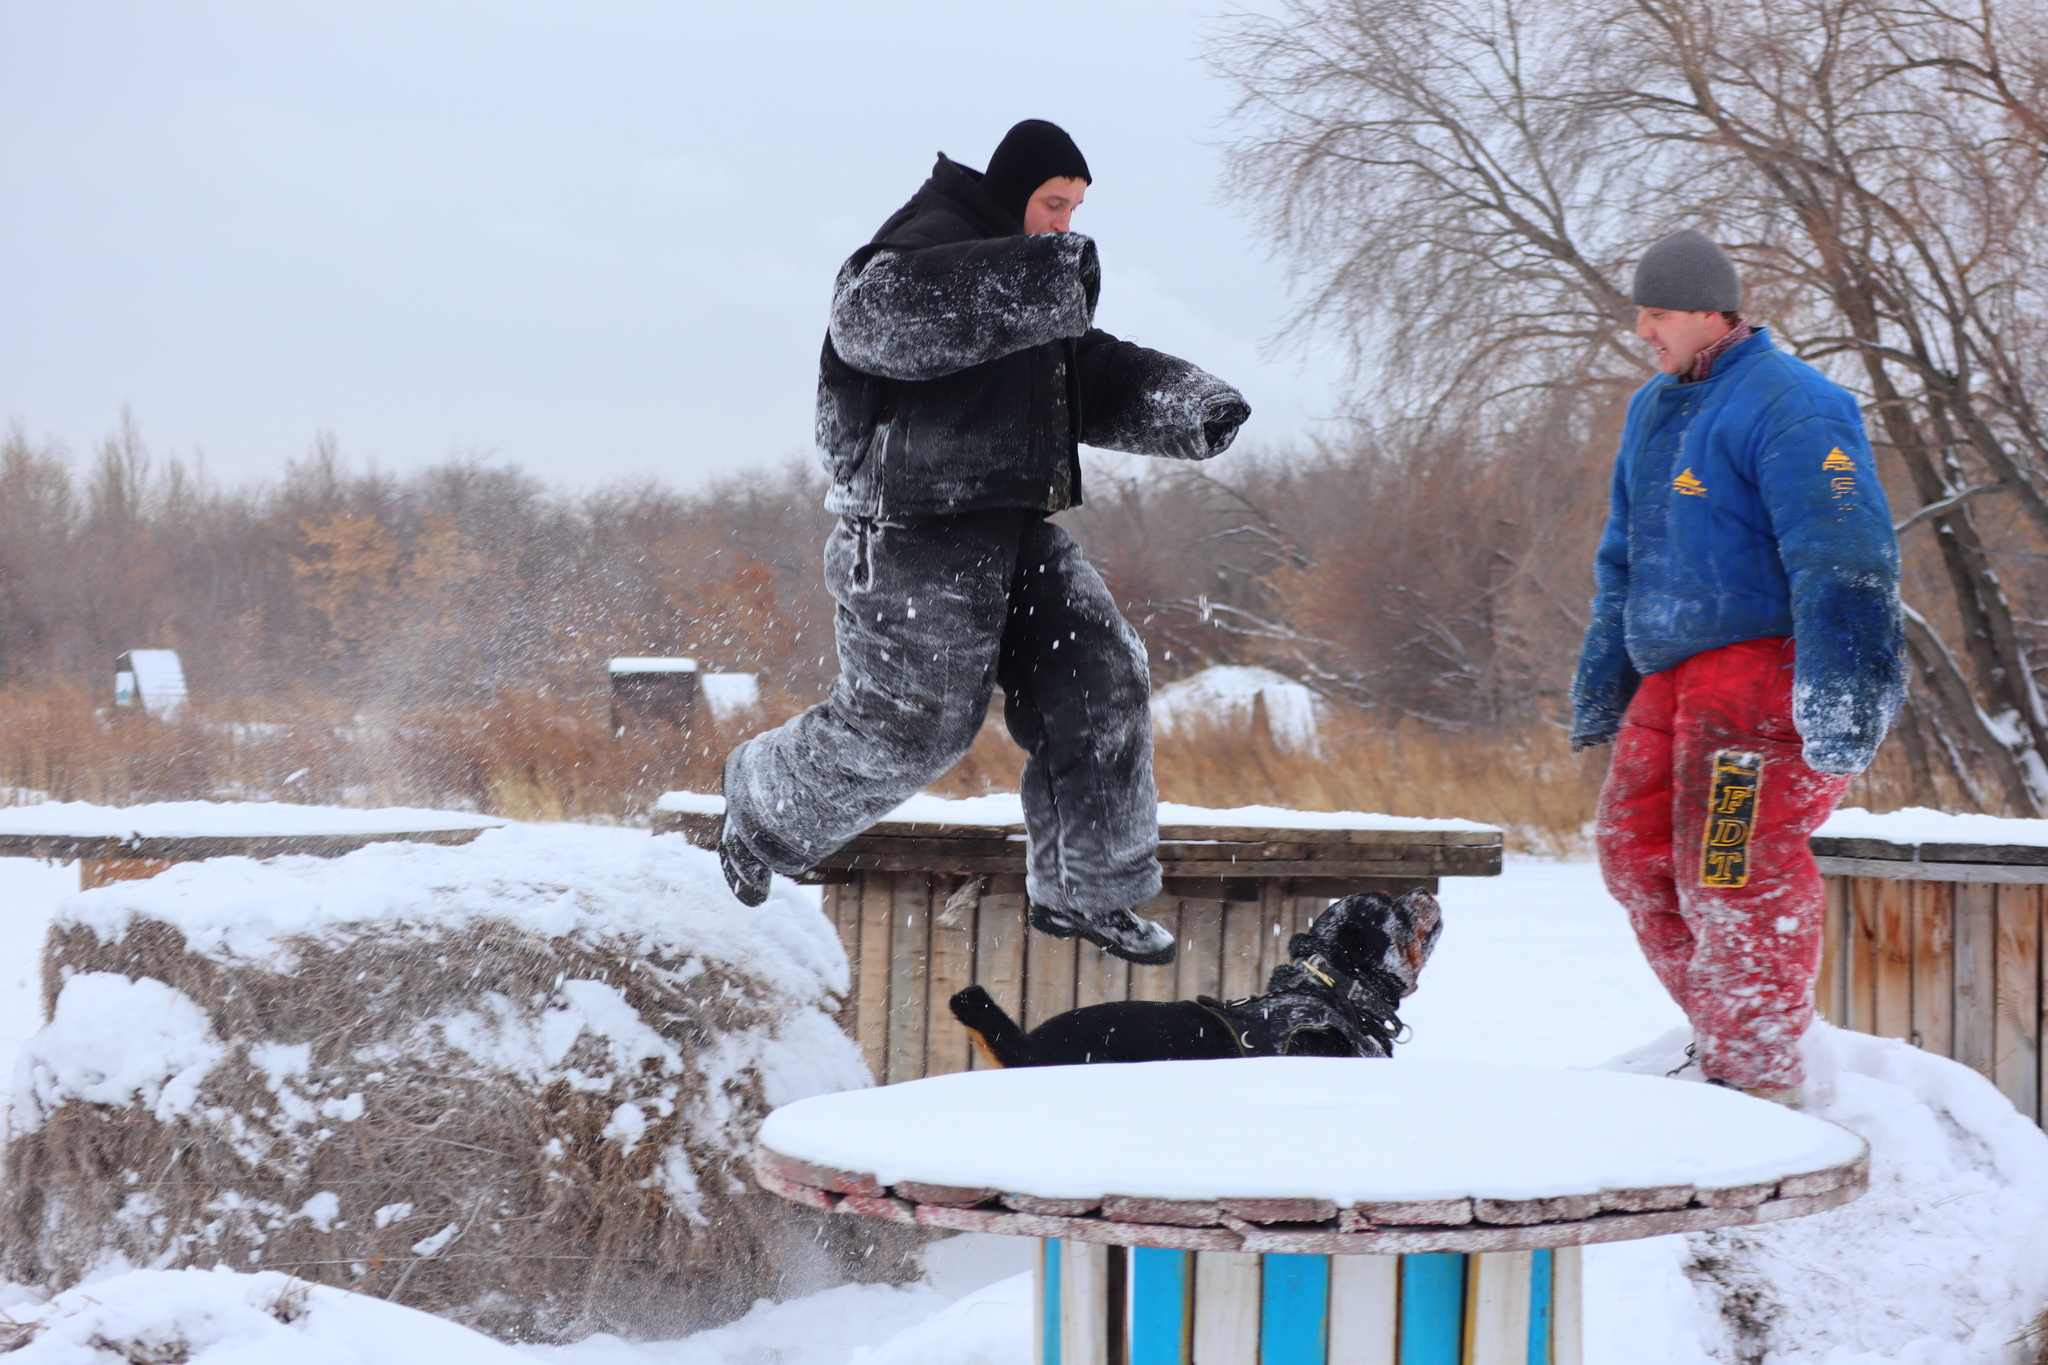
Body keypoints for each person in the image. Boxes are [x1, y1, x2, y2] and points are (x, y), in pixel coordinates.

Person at [717, 120, 1250, 965]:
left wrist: (1189, 404)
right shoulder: (926, 245)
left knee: (1102, 675)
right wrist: (1035, 283)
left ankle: (1087, 887)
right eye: (1052, 204)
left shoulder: (1024, 285)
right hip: (909, 536)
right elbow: (871, 319)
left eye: (1074, 209)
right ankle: (763, 800)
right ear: (1012, 193)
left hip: (1010, 528)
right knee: (916, 728)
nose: (1063, 226)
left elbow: (1084, 373)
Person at [1570, 229, 1904, 1106]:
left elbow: (1847, 554)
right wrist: (1607, 677)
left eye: (1658, 313)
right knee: (1629, 855)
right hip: (1668, 674)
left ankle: (1758, 1081)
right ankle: (1736, 1039)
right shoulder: (1653, 408)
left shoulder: (1797, 403)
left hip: (1758, 676)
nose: (1643, 329)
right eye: (1639, 312)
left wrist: (1847, 689)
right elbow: (1622, 559)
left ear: (1711, 310)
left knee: (1733, 867)